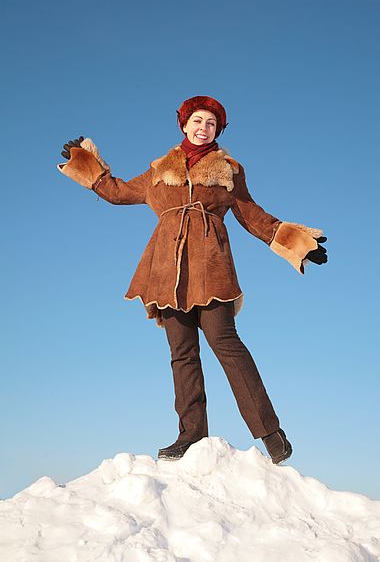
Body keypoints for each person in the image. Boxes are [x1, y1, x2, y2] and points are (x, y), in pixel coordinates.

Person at [57, 95, 328, 465]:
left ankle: (270, 432)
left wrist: (296, 242)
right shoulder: (158, 171)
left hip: (211, 267)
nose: (203, 128)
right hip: (165, 271)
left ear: (218, 130)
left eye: (211, 124)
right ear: (184, 124)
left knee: (226, 343)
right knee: (181, 354)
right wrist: (86, 164)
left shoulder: (228, 170)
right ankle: (191, 436)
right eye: (198, 121)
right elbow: (117, 192)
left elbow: (252, 215)